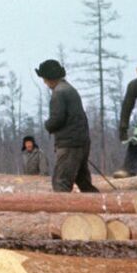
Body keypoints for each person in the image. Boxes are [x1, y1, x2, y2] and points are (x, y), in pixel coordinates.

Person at [37, 58, 96, 193]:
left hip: (69, 144)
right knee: (83, 182)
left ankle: (61, 211)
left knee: (60, 182)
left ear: (50, 78)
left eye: (45, 79)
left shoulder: (59, 93)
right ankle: (100, 205)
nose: (45, 82)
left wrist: (48, 125)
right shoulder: (70, 89)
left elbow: (57, 119)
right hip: (81, 142)